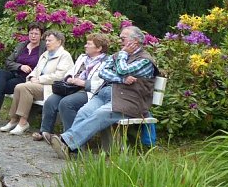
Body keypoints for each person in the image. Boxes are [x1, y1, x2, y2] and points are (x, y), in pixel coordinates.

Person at [50, 26, 157, 159]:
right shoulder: (118, 55)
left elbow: (123, 69)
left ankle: (66, 141)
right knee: (84, 112)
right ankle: (76, 150)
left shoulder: (145, 60)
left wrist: (122, 57)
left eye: (123, 38)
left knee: (100, 114)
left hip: (130, 101)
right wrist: (122, 79)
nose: (120, 41)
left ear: (134, 41)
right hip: (106, 94)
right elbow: (103, 72)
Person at [35, 33, 109, 142]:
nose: (85, 46)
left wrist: (83, 83)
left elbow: (101, 83)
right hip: (72, 88)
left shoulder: (106, 62)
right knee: (51, 100)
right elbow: (72, 70)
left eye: (89, 44)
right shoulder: (83, 57)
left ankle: (70, 139)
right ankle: (45, 132)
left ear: (99, 48)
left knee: (66, 103)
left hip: (88, 91)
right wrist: (69, 77)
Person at [0, 30, 74, 135]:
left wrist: (40, 80)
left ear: (59, 42)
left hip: (52, 88)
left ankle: (23, 122)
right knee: (19, 87)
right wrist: (32, 77)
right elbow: (36, 69)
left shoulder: (65, 56)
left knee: (25, 88)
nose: (47, 43)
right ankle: (13, 120)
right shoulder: (46, 54)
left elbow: (60, 76)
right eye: (46, 40)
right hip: (38, 85)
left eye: (50, 40)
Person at [0, 24, 45, 122]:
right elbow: (9, 61)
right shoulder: (22, 45)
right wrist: (20, 66)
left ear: (41, 36)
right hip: (15, 73)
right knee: (0, 73)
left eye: (36, 34)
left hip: (26, 79)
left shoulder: (43, 49)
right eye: (31, 33)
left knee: (0, 86)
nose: (33, 36)